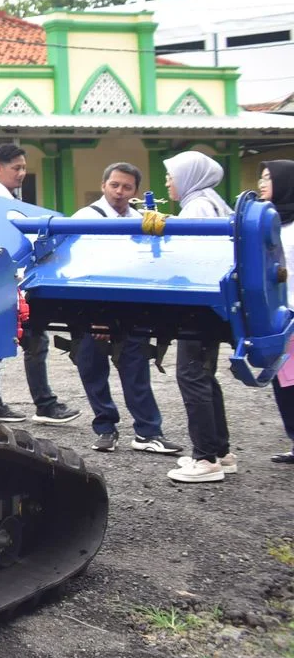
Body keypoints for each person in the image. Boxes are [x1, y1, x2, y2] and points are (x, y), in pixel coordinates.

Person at [69, 162, 182, 455]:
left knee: (136, 368)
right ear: (104, 184)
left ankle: (148, 432)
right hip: (92, 303)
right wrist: (96, 317)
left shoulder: (142, 219)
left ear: (136, 191)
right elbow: (79, 267)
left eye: (127, 187)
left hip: (130, 306)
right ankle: (105, 428)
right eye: (115, 185)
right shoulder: (85, 217)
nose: (120, 192)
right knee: (92, 368)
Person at [0, 143, 80, 425]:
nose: (22, 173)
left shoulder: (13, 201)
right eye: (16, 168)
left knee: (34, 341)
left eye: (23, 167)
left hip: (21, 281)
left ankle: (39, 403)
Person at [164, 150, 237, 484]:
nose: (168, 181)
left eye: (172, 175)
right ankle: (221, 451)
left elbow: (190, 255)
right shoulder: (213, 201)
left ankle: (205, 458)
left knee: (192, 375)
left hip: (197, 302)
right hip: (212, 304)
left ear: (189, 176)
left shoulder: (197, 207)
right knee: (205, 376)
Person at [256, 160, 294, 465]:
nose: (261, 182)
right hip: (278, 314)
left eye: (268, 178)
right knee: (283, 380)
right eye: (261, 177)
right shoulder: (270, 223)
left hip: (291, 313)